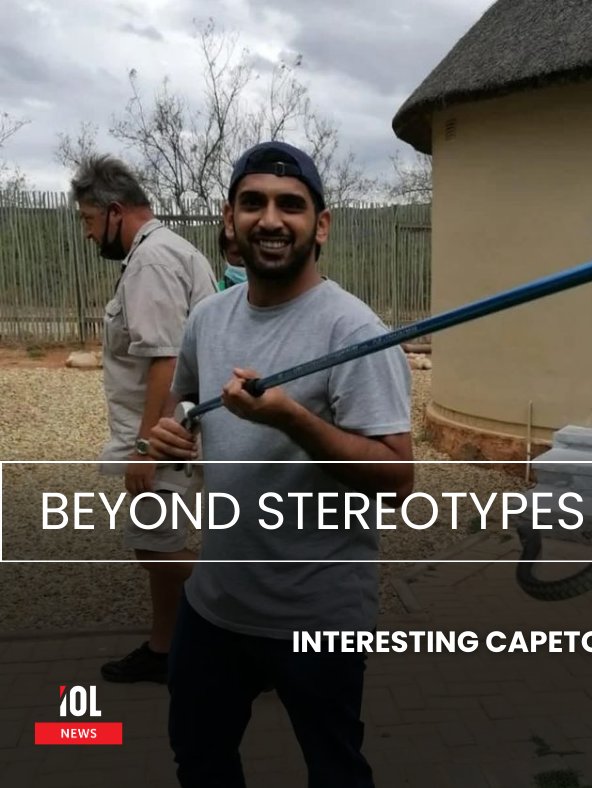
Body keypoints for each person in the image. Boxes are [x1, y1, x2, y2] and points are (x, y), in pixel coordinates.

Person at [147, 140, 413, 787]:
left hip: (319, 616)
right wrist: (169, 432)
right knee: (199, 759)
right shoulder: (207, 320)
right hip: (213, 606)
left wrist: (293, 419)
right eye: (253, 202)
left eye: (291, 205)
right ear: (228, 218)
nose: (271, 219)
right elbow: (184, 397)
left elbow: (398, 480)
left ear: (320, 225)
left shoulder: (353, 332)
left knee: (335, 771)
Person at [71, 155, 217, 683]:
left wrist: (145, 449)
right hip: (171, 427)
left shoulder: (152, 261)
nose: (88, 235)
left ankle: (261, 622)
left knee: (154, 546)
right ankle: (164, 649)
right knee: (160, 541)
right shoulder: (163, 250)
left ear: (114, 211)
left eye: (88, 221)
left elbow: (166, 358)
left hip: (164, 433)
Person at [216, 222, 247, 290]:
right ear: (224, 254)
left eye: (248, 252)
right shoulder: (215, 291)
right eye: (236, 254)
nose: (243, 261)